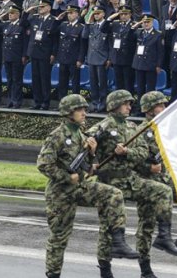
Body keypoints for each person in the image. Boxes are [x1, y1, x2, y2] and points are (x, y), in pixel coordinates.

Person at [37, 93, 138, 278]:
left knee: (113, 194)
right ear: (68, 112)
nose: (84, 113)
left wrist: (91, 156)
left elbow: (83, 165)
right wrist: (67, 177)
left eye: (84, 109)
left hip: (80, 187)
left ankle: (118, 241)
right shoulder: (57, 136)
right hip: (60, 193)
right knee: (59, 238)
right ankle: (53, 275)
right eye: (79, 110)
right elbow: (43, 164)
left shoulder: (82, 134)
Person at [86, 90, 177, 278]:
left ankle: (163, 237)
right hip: (109, 183)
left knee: (162, 192)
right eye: (125, 104)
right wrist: (91, 151)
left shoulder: (131, 126)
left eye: (130, 103)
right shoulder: (103, 127)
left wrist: (127, 152)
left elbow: (142, 152)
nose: (129, 107)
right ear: (114, 106)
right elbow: (85, 149)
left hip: (130, 179)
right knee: (107, 228)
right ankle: (106, 271)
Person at [137, 91, 177, 257]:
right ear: (149, 109)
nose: (164, 108)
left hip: (164, 177)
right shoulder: (142, 131)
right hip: (149, 179)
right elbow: (134, 159)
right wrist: (148, 168)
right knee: (146, 225)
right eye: (160, 106)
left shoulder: (165, 128)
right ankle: (145, 267)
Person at [25, 0, 58, 110]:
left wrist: (53, 53)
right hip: (34, 51)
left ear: (49, 8)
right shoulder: (35, 18)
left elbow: (55, 39)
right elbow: (23, 22)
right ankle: (37, 101)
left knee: (44, 78)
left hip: (45, 52)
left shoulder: (53, 20)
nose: (40, 8)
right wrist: (27, 11)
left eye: (42, 6)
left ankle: (45, 102)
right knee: (35, 78)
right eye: (39, 7)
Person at [55, 5, 84, 100]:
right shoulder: (63, 25)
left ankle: (76, 102)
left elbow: (82, 45)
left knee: (75, 83)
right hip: (63, 57)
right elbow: (52, 32)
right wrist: (57, 20)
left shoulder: (80, 27)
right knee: (62, 82)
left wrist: (80, 59)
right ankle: (62, 101)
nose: (69, 15)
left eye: (71, 13)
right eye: (68, 13)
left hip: (74, 58)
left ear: (77, 14)